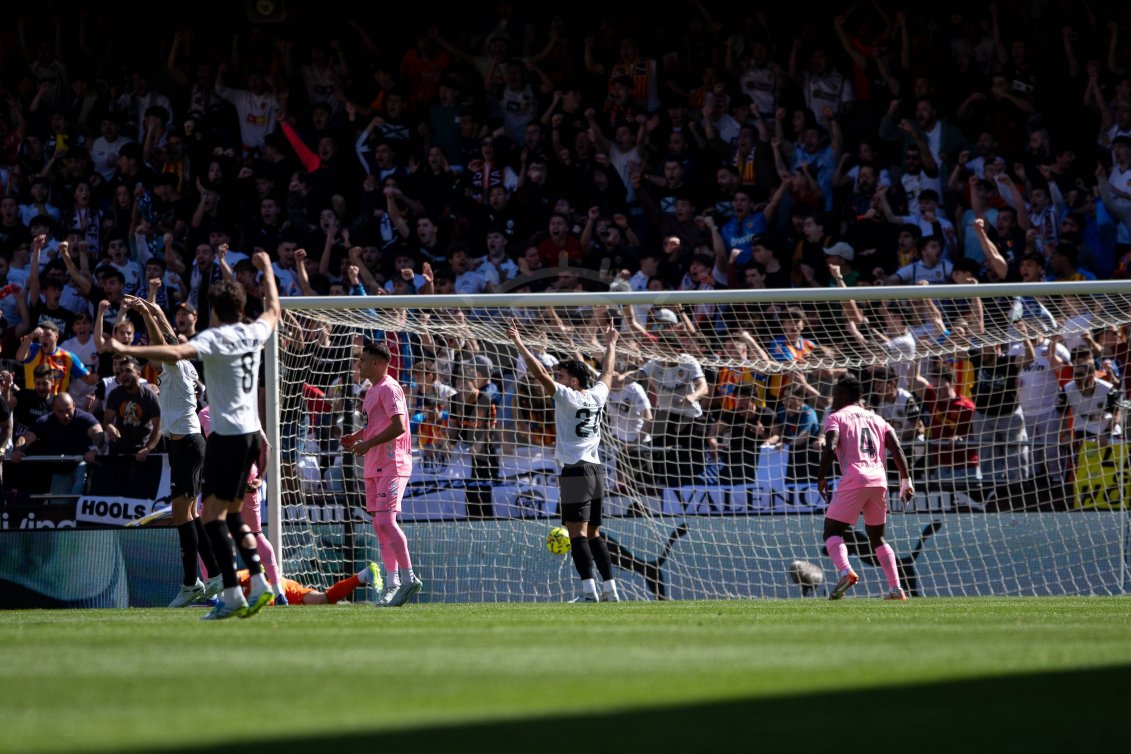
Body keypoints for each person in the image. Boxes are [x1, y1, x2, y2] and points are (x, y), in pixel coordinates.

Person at [104, 251, 280, 620]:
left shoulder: (215, 339)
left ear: (214, 311)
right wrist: (266, 271)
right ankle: (257, 582)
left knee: (211, 517)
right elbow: (274, 310)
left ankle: (232, 591)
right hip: (251, 435)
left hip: (226, 437)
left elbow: (176, 348)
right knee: (227, 514)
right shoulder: (254, 332)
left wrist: (126, 348)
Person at [111, 295, 222, 608]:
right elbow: (163, 334)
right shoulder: (177, 368)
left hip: (187, 444)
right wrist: (151, 308)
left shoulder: (176, 365)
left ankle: (193, 582)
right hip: (183, 445)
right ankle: (208, 575)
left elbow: (161, 340)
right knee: (186, 514)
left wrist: (148, 314)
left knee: (180, 514)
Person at [507, 319, 620, 603]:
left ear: (573, 380)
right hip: (596, 470)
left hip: (575, 470)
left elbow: (539, 373)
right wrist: (611, 344)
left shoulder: (568, 396)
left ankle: (588, 592)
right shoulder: (597, 396)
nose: (557, 376)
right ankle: (610, 589)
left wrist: (519, 343)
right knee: (595, 532)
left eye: (562, 373)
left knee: (576, 532)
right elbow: (607, 372)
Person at [817, 376, 915, 601]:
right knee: (878, 538)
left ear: (842, 396)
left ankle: (845, 571)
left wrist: (822, 476)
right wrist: (906, 481)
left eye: (835, 395)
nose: (833, 399)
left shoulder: (836, 417)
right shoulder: (877, 419)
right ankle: (895, 589)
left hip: (855, 478)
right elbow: (896, 448)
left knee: (832, 531)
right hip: (879, 480)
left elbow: (830, 446)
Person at [340, 340, 422, 608]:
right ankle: (392, 582)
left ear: (376, 363)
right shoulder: (371, 390)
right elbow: (376, 426)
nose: (359, 364)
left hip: (392, 463)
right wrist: (357, 436)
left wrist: (367, 444)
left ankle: (408, 578)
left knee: (386, 521)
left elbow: (399, 426)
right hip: (373, 464)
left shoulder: (390, 388)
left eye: (363, 360)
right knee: (378, 524)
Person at [236, 562, 382, 606]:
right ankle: (364, 575)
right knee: (324, 600)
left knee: (262, 597)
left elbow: (235, 577)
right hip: (285, 585)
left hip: (274, 584)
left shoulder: (250, 574)